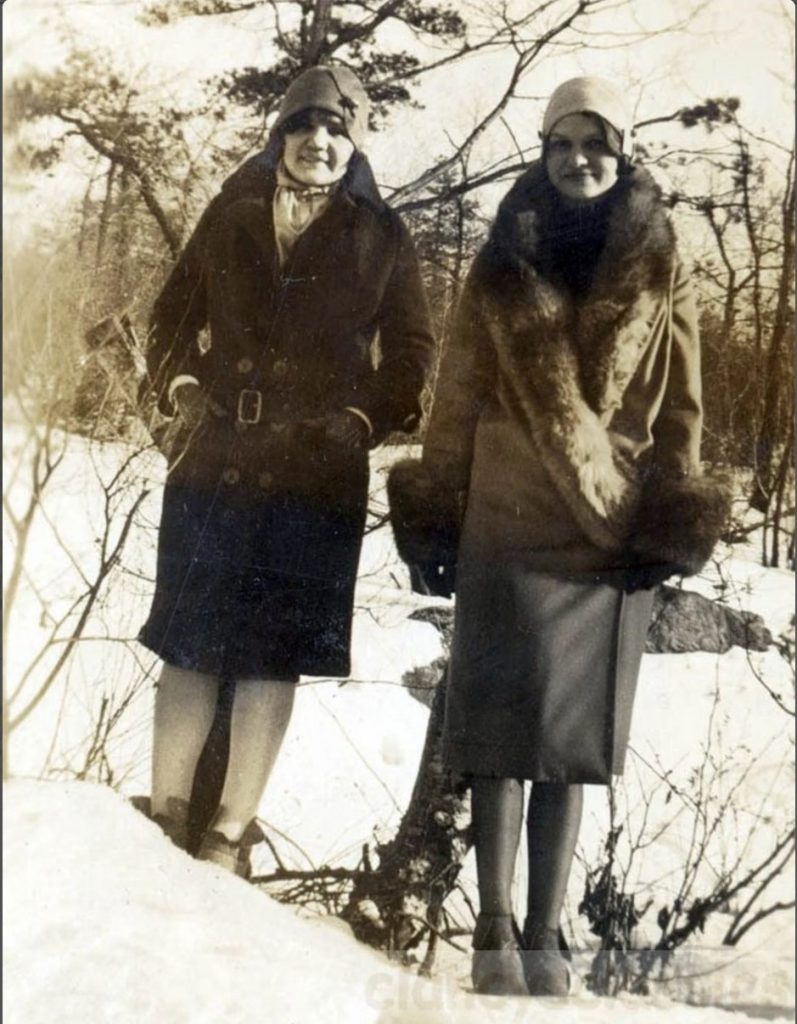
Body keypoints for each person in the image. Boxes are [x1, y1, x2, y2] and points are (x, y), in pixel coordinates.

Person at [388, 76, 728, 995]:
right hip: (503, 509)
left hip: (606, 520)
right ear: (540, 154)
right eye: (561, 144)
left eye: (597, 144)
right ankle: (491, 928)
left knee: (569, 737)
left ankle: (547, 932)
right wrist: (434, 507)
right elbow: (455, 393)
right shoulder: (500, 259)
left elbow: (683, 411)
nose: (579, 160)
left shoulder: (663, 261)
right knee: (499, 727)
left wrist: (672, 511)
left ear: (622, 155)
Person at [138, 65, 434, 876]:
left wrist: (362, 420)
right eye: (302, 127)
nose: (318, 141)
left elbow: (411, 354)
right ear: (281, 137)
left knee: (271, 654)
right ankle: (161, 820)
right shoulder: (232, 213)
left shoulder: (384, 235)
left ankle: (227, 834)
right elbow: (169, 317)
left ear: (353, 143)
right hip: (215, 461)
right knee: (189, 643)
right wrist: (183, 386)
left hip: (313, 478)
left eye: (335, 129)